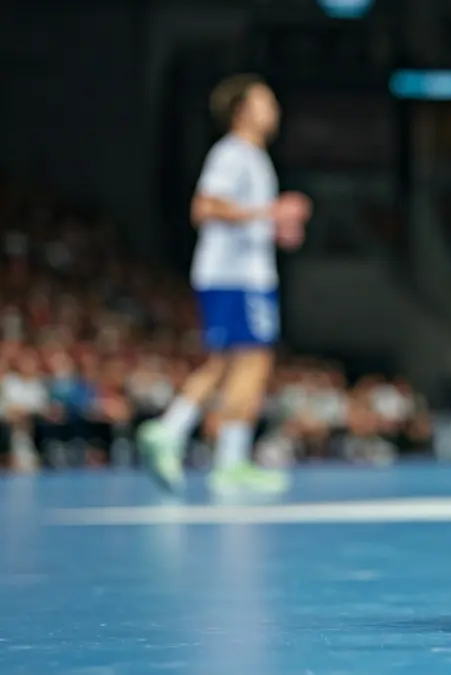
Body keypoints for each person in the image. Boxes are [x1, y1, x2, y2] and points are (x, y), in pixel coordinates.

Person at [138, 73, 310, 495]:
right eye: (266, 102)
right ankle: (223, 458)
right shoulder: (233, 154)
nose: (275, 110)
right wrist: (269, 213)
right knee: (252, 361)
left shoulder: (254, 157)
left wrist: (276, 227)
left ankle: (177, 433)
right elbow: (204, 208)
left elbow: (242, 215)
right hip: (236, 276)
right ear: (241, 111)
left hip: (241, 273)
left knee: (230, 363)